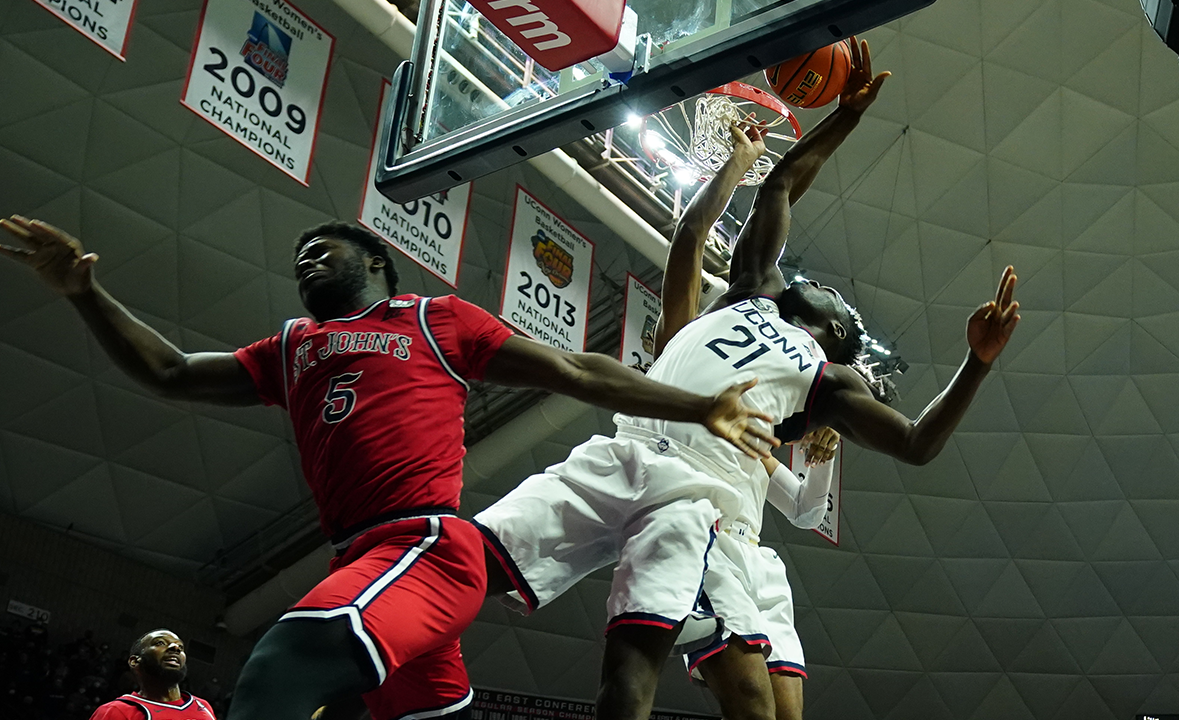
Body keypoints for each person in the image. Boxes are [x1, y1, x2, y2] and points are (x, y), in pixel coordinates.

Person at [0, 217, 778, 720]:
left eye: (324, 247)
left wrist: (695, 406)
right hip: (369, 562)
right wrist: (85, 291)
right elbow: (170, 371)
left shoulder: (434, 320)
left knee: (280, 665)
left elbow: (574, 369)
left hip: (425, 548)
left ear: (377, 261)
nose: (306, 258)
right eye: (299, 255)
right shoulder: (291, 347)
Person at [478, 34, 1019, 720]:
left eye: (833, 296)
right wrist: (840, 119)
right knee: (485, 565)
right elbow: (783, 183)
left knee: (744, 702)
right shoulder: (752, 291)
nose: (819, 285)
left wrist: (977, 362)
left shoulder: (832, 382)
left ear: (842, 333)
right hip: (643, 450)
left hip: (714, 503)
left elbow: (915, 444)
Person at [650, 118, 838, 720]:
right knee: (753, 708)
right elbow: (691, 236)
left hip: (752, 553)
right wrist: (741, 162)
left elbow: (808, 510)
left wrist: (822, 457)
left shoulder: (763, 410)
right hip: (693, 524)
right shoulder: (681, 339)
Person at [89, 629, 217, 720]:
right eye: (160, 643)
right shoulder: (116, 712)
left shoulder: (202, 706)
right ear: (134, 661)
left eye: (180, 647)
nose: (175, 647)